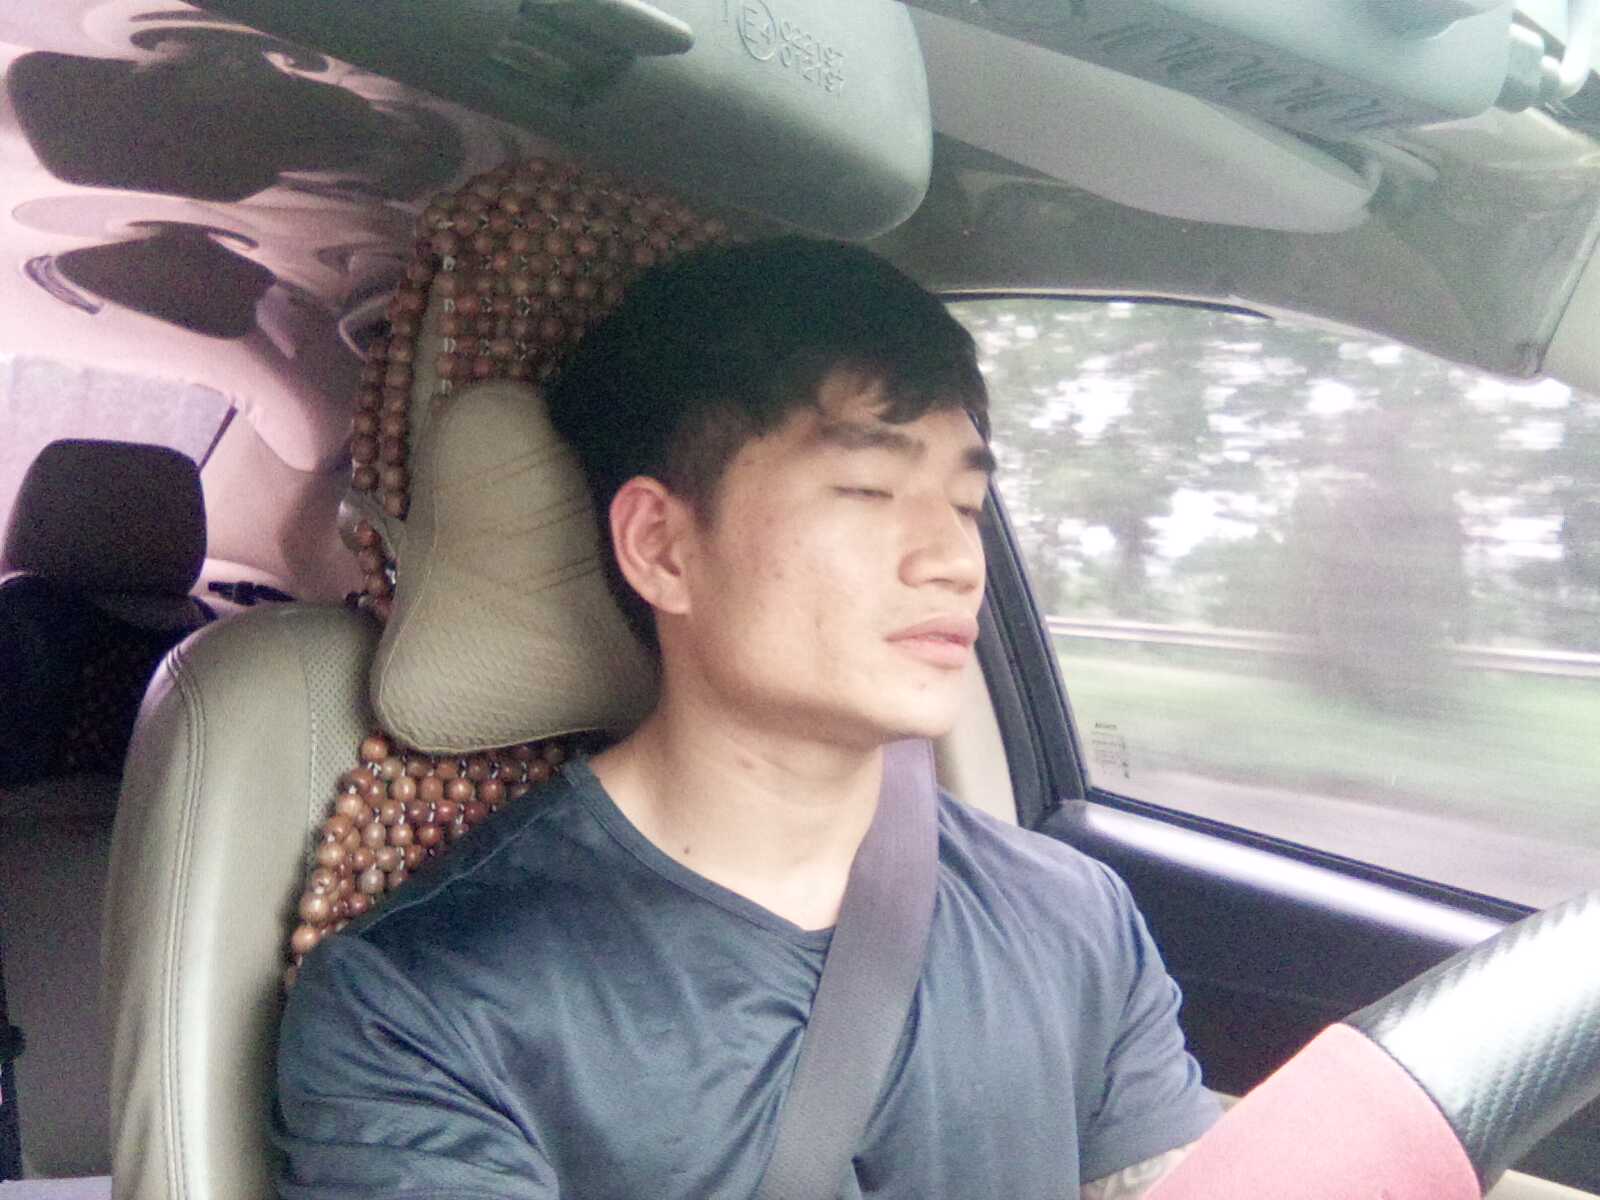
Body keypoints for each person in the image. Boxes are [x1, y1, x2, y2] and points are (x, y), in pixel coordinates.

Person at [273, 237, 1220, 1199]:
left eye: (968, 504)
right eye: (868, 491)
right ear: (662, 547)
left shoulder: (1078, 921)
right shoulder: (426, 1008)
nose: (953, 561)